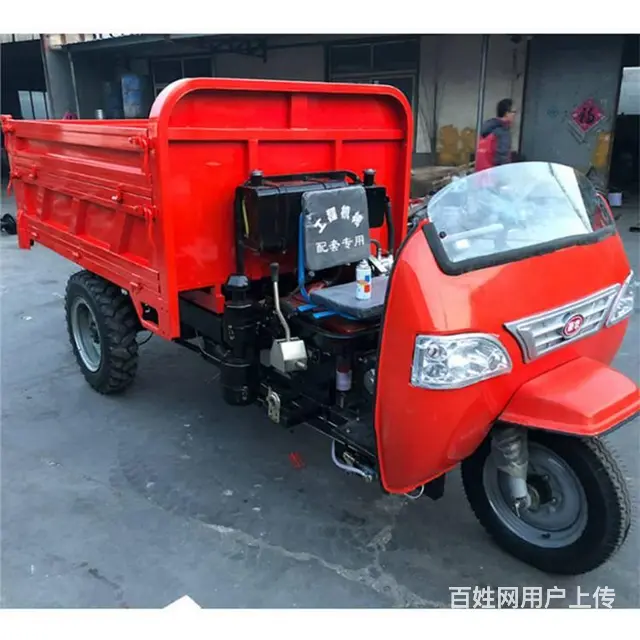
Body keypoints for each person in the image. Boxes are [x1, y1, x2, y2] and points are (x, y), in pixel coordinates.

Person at [475, 98, 516, 172]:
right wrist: (507, 173)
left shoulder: (488, 127)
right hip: (494, 173)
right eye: (514, 112)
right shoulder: (502, 131)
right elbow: (502, 156)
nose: (515, 115)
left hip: (481, 171)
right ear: (507, 113)